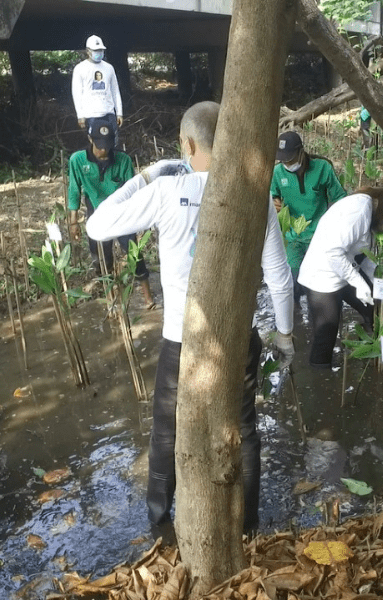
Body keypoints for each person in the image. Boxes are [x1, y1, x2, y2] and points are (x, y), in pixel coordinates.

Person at [86, 101, 295, 533]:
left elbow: (97, 225)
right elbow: (280, 279)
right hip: (239, 337)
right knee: (244, 429)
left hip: (182, 339)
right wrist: (285, 336)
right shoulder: (255, 195)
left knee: (166, 433)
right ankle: (248, 526)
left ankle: (161, 525)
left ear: (187, 144)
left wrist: (146, 175)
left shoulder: (165, 191)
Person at [298, 184, 383, 368]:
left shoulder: (372, 212)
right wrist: (359, 284)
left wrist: (380, 276)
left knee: (375, 308)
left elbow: (360, 254)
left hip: (345, 270)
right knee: (326, 334)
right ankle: (320, 375)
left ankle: (374, 349)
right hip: (323, 277)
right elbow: (333, 253)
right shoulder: (358, 211)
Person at [67, 121, 153, 307]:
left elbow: (135, 191)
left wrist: (139, 221)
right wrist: (73, 222)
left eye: (107, 145)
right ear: (90, 139)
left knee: (134, 254)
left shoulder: (123, 161)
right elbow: (74, 190)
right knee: (101, 259)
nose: (104, 151)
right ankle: (111, 299)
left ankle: (148, 298)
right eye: (99, 146)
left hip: (122, 214)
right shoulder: (77, 161)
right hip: (97, 216)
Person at [271, 131, 347, 302]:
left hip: (319, 236)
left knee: (320, 285)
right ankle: (293, 320)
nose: (287, 163)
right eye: (283, 160)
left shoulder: (322, 168)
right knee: (294, 282)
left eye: (290, 159)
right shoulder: (277, 172)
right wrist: (274, 202)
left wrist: (335, 226)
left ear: (301, 152)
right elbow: (272, 194)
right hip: (293, 237)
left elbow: (340, 198)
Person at [71, 35, 123, 144]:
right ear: (88, 51)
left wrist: (119, 113)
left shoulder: (109, 68)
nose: (99, 52)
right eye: (96, 50)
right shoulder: (80, 68)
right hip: (91, 115)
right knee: (96, 145)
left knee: (113, 143)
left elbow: (115, 91)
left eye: (101, 50)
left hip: (109, 113)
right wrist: (80, 116)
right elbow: (77, 93)